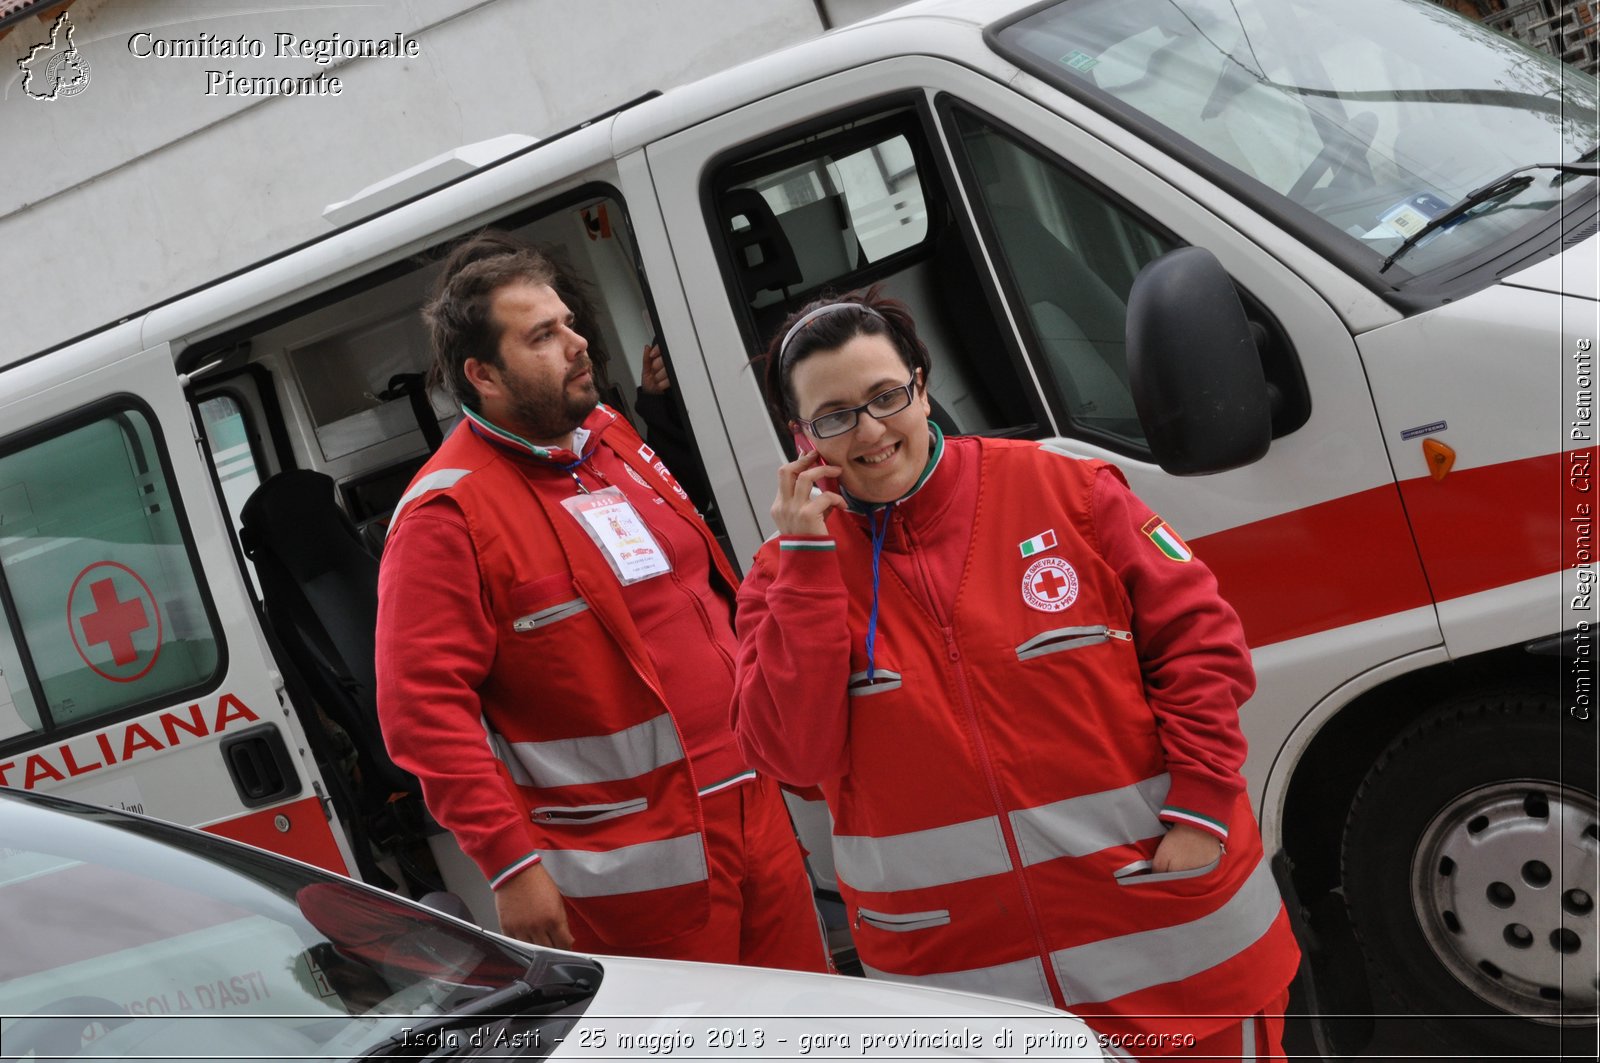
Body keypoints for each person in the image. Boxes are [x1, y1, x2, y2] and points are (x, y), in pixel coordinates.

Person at [730, 288, 1301, 1057]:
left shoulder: (1068, 491)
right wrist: (805, 568)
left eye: (885, 396)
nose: (869, 430)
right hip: (967, 985)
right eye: (834, 416)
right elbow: (790, 759)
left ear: (922, 386)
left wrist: (1201, 806)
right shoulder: (780, 575)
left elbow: (1201, 643)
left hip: (1168, 940)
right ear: (801, 438)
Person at [374, 230, 828, 972]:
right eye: (544, 336)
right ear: (483, 373)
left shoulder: (607, 436)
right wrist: (511, 866)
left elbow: (706, 596)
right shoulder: (444, 517)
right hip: (636, 871)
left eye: (569, 323)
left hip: (755, 808)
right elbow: (421, 712)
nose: (578, 343)